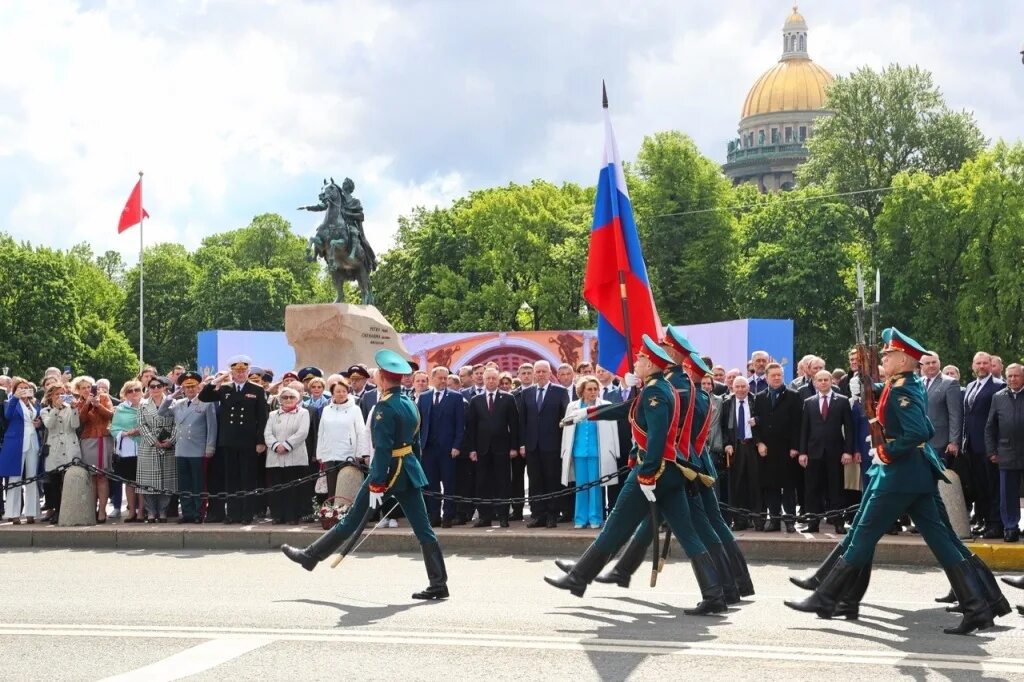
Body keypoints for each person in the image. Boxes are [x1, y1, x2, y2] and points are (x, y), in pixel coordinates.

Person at [786, 328, 1007, 635]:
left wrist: (886, 450)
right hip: (912, 474)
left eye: (888, 355)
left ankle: (826, 597)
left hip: (900, 474)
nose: (885, 359)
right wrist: (871, 390)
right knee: (942, 541)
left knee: (863, 533)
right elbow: (920, 422)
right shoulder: (902, 384)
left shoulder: (904, 389)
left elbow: (919, 432)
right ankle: (979, 607)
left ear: (903, 358)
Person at [545, 335, 727, 615]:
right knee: (687, 533)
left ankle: (579, 578)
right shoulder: (658, 387)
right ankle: (714, 594)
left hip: (655, 471)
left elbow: (656, 438)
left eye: (641, 359)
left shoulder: (655, 392)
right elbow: (629, 412)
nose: (637, 363)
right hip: (672, 472)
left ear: (651, 363)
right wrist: (588, 414)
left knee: (616, 525)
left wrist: (647, 474)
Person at [282, 349, 450, 601]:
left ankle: (310, 556)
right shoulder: (409, 403)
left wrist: (377, 483)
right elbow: (414, 444)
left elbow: (382, 449)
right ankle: (438, 582)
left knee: (350, 521)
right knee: (423, 529)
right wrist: (412, 469)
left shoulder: (384, 407)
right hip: (408, 472)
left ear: (382, 377)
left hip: (387, 475)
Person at [199, 355, 269, 524]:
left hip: (248, 441)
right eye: (236, 371)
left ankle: (246, 514)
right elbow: (204, 396)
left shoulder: (256, 390)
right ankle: (233, 513)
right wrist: (219, 379)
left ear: (248, 371)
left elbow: (263, 417)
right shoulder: (225, 388)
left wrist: (261, 441)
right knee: (231, 479)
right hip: (228, 440)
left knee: (247, 478)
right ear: (232, 372)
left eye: (243, 371)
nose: (240, 374)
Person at [798, 370, 855, 534]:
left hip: (836, 452)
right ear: (815, 382)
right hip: (813, 452)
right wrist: (802, 452)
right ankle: (813, 523)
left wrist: (848, 451)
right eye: (820, 380)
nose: (823, 382)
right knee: (812, 489)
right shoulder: (809, 402)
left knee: (836, 488)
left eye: (826, 380)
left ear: (831, 382)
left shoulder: (843, 401)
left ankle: (838, 522)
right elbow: (804, 429)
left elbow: (849, 429)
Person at [464, 367, 521, 527]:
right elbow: (471, 427)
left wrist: (514, 447)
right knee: (482, 483)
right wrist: (472, 449)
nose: (490, 381)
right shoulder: (476, 400)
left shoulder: (508, 398)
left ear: (498, 380)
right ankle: (484, 517)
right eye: (488, 378)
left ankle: (503, 516)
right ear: (483, 378)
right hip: (482, 449)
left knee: (503, 483)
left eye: (493, 378)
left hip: (502, 449)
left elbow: (514, 425)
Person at [560, 376, 619, 528]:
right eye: (589, 389)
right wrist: (566, 452)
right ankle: (580, 519)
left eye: (595, 389)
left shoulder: (606, 405)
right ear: (582, 391)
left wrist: (615, 452)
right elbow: (566, 432)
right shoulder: (572, 406)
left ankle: (595, 518)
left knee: (595, 487)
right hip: (578, 452)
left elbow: (613, 430)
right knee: (580, 486)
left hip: (598, 452)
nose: (593, 392)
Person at [158, 371, 217, 524]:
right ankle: (187, 513)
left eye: (193, 386)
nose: (190, 390)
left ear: (199, 387)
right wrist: (172, 395)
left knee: (197, 484)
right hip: (181, 449)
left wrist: (210, 447)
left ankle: (198, 513)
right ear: (182, 388)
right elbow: (162, 412)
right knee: (184, 484)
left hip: (198, 449)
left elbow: (212, 427)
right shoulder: (178, 404)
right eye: (186, 387)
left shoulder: (206, 403)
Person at [752, 362, 802, 533]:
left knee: (788, 486)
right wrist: (759, 442)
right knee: (770, 486)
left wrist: (796, 447)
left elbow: (798, 424)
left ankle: (789, 520)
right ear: (766, 377)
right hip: (767, 450)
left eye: (779, 375)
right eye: (773, 375)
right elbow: (755, 423)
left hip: (788, 449)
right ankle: (774, 520)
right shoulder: (759, 397)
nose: (776, 378)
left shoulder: (794, 396)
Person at [519, 360, 569, 528]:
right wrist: (522, 444)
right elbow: (522, 421)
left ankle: (552, 514)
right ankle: (538, 514)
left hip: (553, 445)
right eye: (537, 371)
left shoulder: (560, 392)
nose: (540, 374)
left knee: (552, 480)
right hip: (532, 445)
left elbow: (565, 420)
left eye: (543, 371)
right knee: (535, 481)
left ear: (549, 373)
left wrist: (564, 444)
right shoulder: (527, 393)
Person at [963, 352, 1005, 539]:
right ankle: (985, 521)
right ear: (973, 365)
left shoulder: (999, 386)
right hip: (971, 445)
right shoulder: (971, 386)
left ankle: (996, 524)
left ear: (991, 365)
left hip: (989, 446)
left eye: (985, 363)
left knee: (993, 486)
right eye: (978, 363)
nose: (981, 366)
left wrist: (995, 446)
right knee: (979, 487)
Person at [417, 370, 465, 527]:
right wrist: (420, 444)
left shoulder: (456, 397)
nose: (443, 381)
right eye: (440, 378)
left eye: (446, 378)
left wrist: (457, 445)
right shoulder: (424, 397)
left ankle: (448, 516)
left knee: (449, 483)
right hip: (429, 449)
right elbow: (419, 423)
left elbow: (460, 424)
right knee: (432, 484)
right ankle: (434, 515)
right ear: (433, 379)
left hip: (448, 449)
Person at [984, 363, 1024, 542]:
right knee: (1007, 494)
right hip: (1006, 452)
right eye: (1010, 376)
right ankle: (1010, 527)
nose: (1013, 379)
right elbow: (990, 427)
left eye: (1016, 376)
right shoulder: (998, 397)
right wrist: (992, 451)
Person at [264, 387, 311, 525]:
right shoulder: (273, 414)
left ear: (298, 399)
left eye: (292, 397)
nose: (288, 400)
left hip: (295, 456)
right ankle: (277, 515)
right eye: (285, 397)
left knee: (294, 488)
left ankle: (292, 516)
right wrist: (276, 446)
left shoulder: (303, 413)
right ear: (280, 400)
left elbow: (302, 433)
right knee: (277, 487)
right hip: (275, 456)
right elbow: (267, 433)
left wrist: (286, 445)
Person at [316, 376, 368, 497]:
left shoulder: (355, 409)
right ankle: (332, 513)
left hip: (348, 455)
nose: (341, 394)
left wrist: (360, 453)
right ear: (332, 393)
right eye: (338, 391)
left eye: (344, 391)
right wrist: (320, 453)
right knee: (332, 488)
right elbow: (321, 432)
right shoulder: (326, 410)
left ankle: (347, 514)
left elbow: (361, 432)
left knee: (347, 489)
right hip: (329, 454)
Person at [720, 376, 761, 530]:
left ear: (748, 387)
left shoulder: (756, 401)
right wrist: (727, 444)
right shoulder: (727, 404)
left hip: (752, 447)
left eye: (743, 386)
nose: (741, 389)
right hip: (735, 447)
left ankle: (757, 519)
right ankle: (739, 520)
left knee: (755, 483)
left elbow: (764, 419)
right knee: (736, 485)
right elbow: (722, 428)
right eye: (737, 386)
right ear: (732, 388)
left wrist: (757, 420)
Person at [0, 377, 42, 524]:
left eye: (26, 387)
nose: (24, 390)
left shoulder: (34, 404)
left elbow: (40, 419)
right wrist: (15, 398)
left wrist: (39, 424)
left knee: (32, 477)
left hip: (32, 442)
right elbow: (8, 416)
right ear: (15, 389)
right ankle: (13, 513)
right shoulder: (10, 402)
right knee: (15, 479)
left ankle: (31, 512)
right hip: (16, 443)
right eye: (21, 388)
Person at [75, 375, 115, 523]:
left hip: (102, 438)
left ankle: (103, 511)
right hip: (87, 439)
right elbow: (80, 421)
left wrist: (98, 405)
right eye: (83, 388)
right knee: (91, 477)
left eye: (88, 387)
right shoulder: (79, 403)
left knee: (102, 476)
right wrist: (87, 404)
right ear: (78, 390)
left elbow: (111, 415)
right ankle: (92, 509)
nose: (86, 390)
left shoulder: (103, 397)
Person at [137, 376, 177, 523]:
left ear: (164, 387)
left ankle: (163, 511)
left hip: (168, 445)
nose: (155, 389)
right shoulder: (143, 404)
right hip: (149, 446)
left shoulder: (173, 403)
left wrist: (171, 440)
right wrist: (153, 441)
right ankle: (151, 511)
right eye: (152, 386)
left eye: (158, 386)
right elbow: (141, 425)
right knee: (148, 481)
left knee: (167, 481)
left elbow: (178, 424)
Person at [40, 383, 80, 524]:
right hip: (55, 447)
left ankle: (71, 510)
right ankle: (57, 510)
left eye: (62, 394)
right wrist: (56, 408)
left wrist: (75, 410)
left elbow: (75, 425)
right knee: (55, 482)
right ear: (50, 396)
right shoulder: (45, 410)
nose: (60, 397)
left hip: (70, 445)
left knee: (70, 480)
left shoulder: (70, 408)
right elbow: (49, 425)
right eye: (57, 394)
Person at [110, 381, 145, 522]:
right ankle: (131, 511)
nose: (134, 392)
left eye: (137, 389)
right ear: (125, 394)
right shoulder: (121, 409)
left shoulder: (148, 406)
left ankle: (142, 511)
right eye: (130, 391)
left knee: (142, 482)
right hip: (128, 450)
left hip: (145, 448)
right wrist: (125, 433)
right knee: (130, 482)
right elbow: (114, 429)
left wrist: (140, 431)